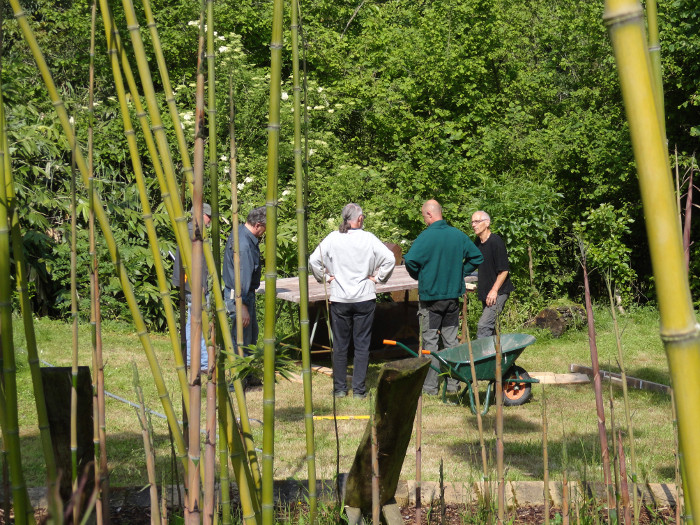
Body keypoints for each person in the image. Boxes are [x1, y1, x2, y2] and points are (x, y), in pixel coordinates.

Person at [309, 203, 396, 399]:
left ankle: (340, 389)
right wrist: (378, 278)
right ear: (360, 218)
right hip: (364, 297)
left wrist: (325, 277)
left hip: (340, 297)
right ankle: (358, 390)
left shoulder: (333, 238)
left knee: (340, 345)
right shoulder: (368, 238)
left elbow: (314, 260)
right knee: (362, 345)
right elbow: (390, 259)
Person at [404, 200, 483, 395]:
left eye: (424, 217)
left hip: (431, 301)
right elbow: (477, 257)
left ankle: (430, 388)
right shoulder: (458, 235)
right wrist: (459, 273)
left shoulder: (425, 237)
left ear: (429, 215)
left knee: (430, 344)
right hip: (451, 301)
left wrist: (420, 275)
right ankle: (453, 385)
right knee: (451, 343)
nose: (424, 221)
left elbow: (410, 260)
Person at [172, 203, 211, 371]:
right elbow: (197, 263)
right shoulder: (195, 233)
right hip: (196, 285)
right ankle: (200, 361)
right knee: (197, 323)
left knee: (193, 322)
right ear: (202, 215)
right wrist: (201, 285)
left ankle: (192, 359)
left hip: (189, 284)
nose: (210, 220)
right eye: (209, 216)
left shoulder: (187, 229)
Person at [223, 206, 266, 354]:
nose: (265, 232)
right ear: (258, 225)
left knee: (251, 335)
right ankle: (240, 374)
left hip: (240, 294)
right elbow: (242, 279)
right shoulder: (245, 245)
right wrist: (242, 306)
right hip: (240, 296)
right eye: (265, 228)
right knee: (243, 339)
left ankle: (247, 372)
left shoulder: (240, 232)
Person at [471, 210, 514, 339]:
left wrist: (494, 290)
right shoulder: (477, 243)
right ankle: (499, 358)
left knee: (483, 326)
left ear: (487, 223)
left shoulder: (496, 242)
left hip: (498, 292)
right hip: (486, 292)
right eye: (472, 222)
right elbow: (472, 263)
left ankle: (482, 358)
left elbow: (504, 270)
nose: (473, 225)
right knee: (492, 329)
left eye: (477, 221)